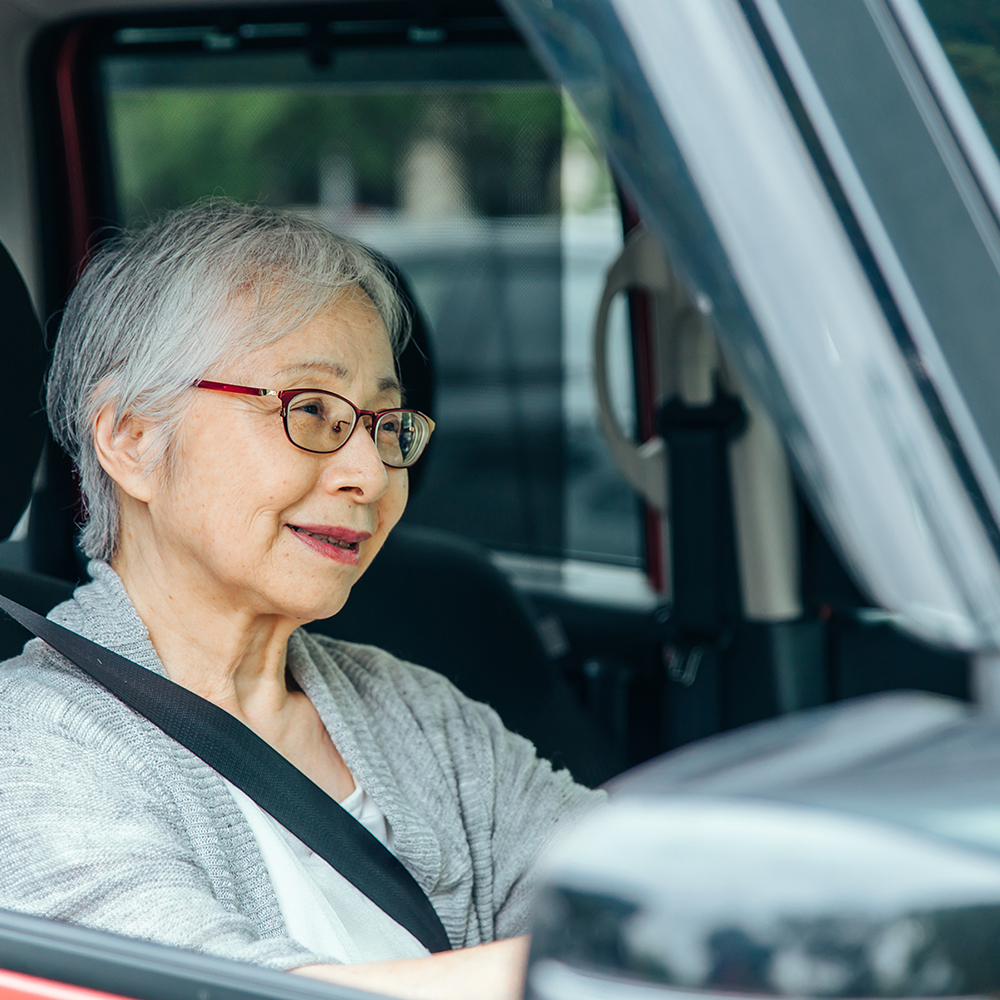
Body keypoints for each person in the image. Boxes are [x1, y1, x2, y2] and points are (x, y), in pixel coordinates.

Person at [0, 201, 602, 1000]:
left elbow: (618, 883)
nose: (372, 474)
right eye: (311, 411)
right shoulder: (31, 747)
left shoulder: (414, 709)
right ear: (133, 438)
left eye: (387, 425)